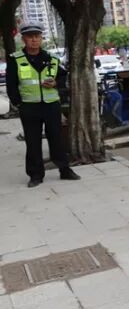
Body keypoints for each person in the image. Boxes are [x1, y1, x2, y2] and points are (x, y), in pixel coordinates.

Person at [5, 22, 81, 187]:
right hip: (29, 106)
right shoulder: (15, 59)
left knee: (56, 139)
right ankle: (35, 175)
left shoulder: (51, 59)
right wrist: (19, 104)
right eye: (30, 36)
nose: (34, 40)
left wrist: (55, 83)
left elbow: (62, 77)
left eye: (37, 36)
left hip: (51, 105)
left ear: (41, 38)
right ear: (23, 39)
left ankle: (64, 170)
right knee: (32, 141)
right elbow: (11, 85)